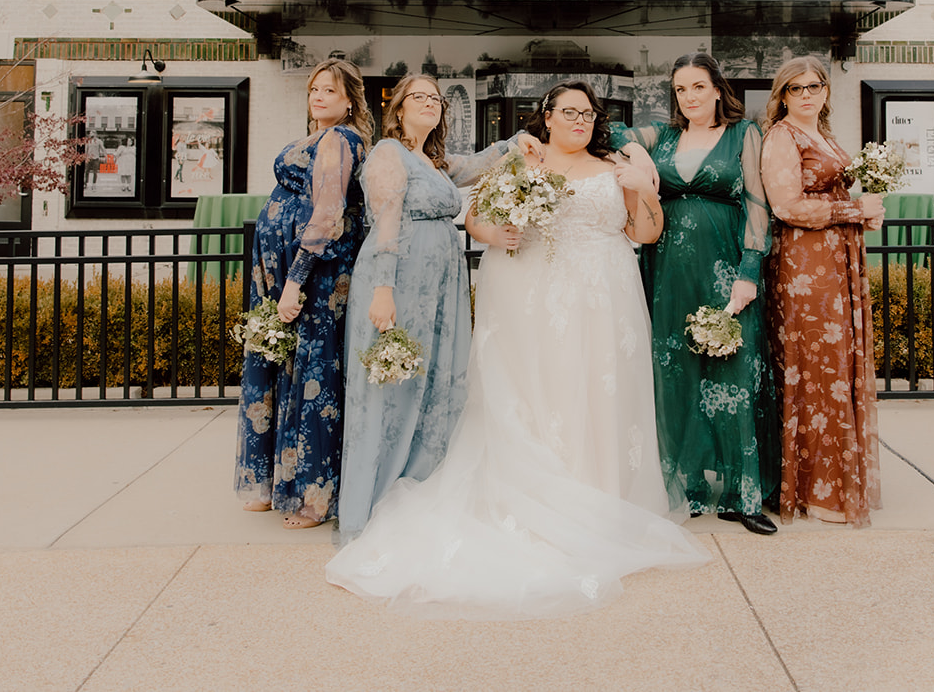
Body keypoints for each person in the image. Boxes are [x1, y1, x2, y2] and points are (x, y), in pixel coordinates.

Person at [326, 80, 708, 619]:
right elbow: (478, 217)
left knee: (598, 392)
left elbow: (644, 233)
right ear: (546, 117)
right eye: (569, 111)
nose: (580, 120)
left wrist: (644, 186)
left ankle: (599, 497)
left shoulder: (616, 163)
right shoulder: (521, 159)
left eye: (588, 112)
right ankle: (538, 494)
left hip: (605, 297)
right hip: (536, 296)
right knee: (542, 389)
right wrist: (498, 232)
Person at [337, 74, 523, 544]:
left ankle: (420, 487)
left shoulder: (434, 162)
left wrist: (519, 141)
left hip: (442, 284)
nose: (429, 104)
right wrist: (383, 288)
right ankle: (375, 502)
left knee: (438, 380)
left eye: (436, 99)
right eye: (417, 97)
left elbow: (478, 164)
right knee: (394, 384)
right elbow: (385, 223)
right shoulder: (388, 154)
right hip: (400, 278)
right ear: (398, 109)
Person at [610, 52, 779, 535]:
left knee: (733, 371)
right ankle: (691, 490)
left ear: (717, 89)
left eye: (698, 87)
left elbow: (757, 203)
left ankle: (744, 495)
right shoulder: (661, 137)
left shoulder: (743, 134)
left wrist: (749, 270)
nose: (690, 97)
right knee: (675, 373)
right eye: (681, 89)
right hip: (665, 270)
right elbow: (612, 135)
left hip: (725, 268)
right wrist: (642, 164)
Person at [235, 59, 372, 529]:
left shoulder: (340, 139)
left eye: (329, 91)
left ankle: (314, 494)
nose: (318, 96)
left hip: (315, 274)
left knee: (312, 371)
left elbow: (329, 213)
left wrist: (295, 280)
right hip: (284, 270)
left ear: (349, 100)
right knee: (282, 366)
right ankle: (275, 481)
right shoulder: (312, 138)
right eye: (314, 89)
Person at [759, 55, 885, 527]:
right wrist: (852, 211)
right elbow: (786, 205)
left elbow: (836, 197)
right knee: (816, 365)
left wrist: (866, 209)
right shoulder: (782, 137)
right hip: (805, 264)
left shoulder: (824, 136)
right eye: (796, 88)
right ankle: (811, 489)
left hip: (837, 259)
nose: (807, 94)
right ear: (783, 96)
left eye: (814, 86)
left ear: (826, 91)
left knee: (838, 361)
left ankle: (834, 482)